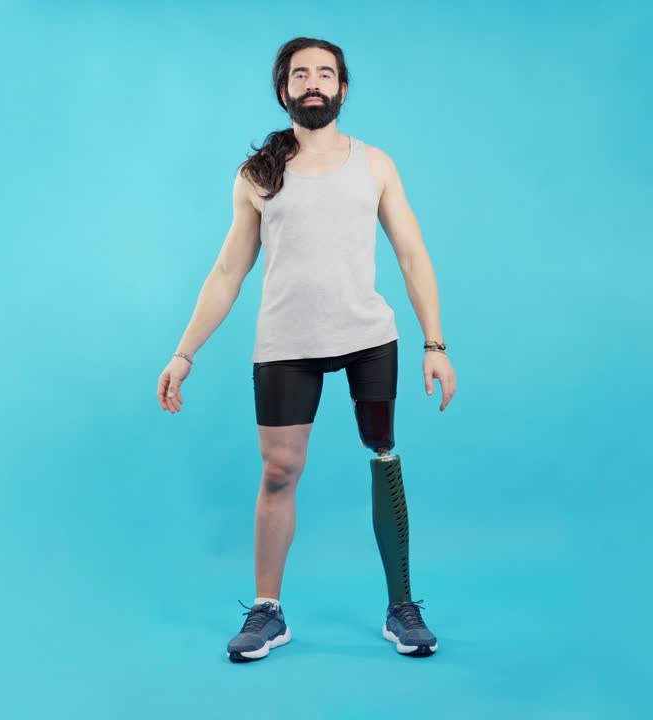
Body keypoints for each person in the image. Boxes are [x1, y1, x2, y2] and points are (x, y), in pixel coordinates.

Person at [156, 37, 457, 662]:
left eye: (325, 73)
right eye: (301, 75)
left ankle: (401, 608)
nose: (313, 83)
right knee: (279, 472)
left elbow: (412, 254)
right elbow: (227, 272)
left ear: (342, 89)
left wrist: (435, 342)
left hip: (368, 338)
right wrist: (184, 354)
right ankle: (267, 611)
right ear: (284, 90)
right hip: (286, 343)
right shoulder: (258, 175)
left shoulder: (374, 164)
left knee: (383, 454)